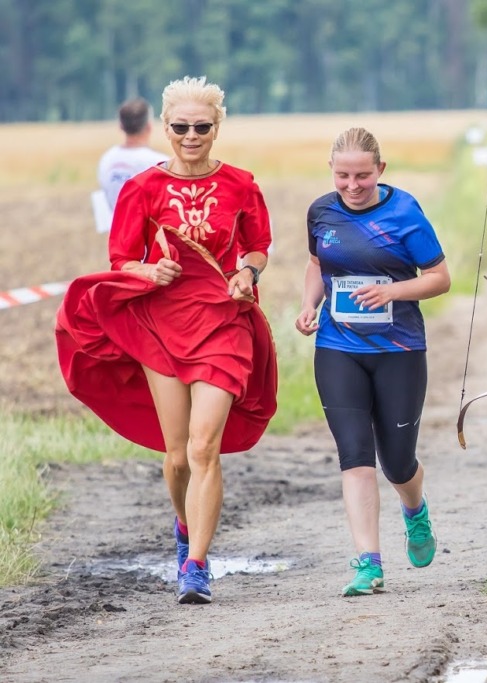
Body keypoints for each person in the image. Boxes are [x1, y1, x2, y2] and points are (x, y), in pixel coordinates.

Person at [56, 76, 277, 604]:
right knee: (178, 456)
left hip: (224, 321)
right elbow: (121, 259)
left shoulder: (242, 184)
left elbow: (260, 245)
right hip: (162, 325)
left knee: (206, 446)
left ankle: (196, 566)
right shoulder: (142, 188)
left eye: (202, 126)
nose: (192, 135)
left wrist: (247, 272)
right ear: (167, 128)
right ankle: (183, 526)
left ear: (217, 127)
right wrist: (147, 271)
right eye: (181, 127)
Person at [295, 127, 451, 597]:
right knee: (355, 456)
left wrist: (393, 291)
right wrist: (309, 305)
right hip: (338, 348)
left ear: (380, 170)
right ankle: (369, 563)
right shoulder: (321, 211)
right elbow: (316, 263)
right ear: (332, 172)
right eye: (343, 175)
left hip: (399, 351)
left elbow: (441, 277)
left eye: (362, 175)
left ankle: (415, 510)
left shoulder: (405, 212)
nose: (353, 185)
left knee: (397, 463)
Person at [94, 97, 169, 233]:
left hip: (118, 239)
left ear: (121, 126)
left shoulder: (107, 160)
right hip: (152, 243)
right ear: (149, 126)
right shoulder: (161, 163)